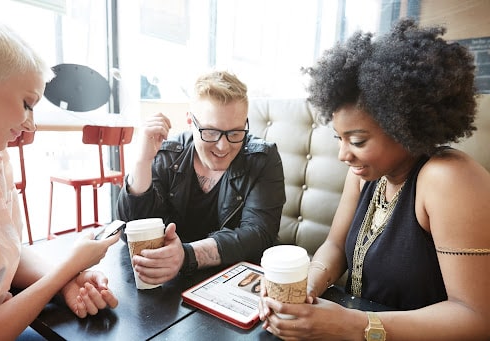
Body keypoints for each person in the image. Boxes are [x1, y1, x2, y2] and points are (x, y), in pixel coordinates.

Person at [259, 18, 490, 341]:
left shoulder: (449, 179)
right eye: (339, 138)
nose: (343, 154)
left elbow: (476, 318)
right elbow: (335, 246)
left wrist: (353, 325)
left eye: (357, 141)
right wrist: (305, 289)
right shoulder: (368, 174)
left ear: (405, 127)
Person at [0, 20, 120, 340]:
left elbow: (4, 252)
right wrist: (65, 271)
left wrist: (69, 280)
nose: (31, 127)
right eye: (27, 104)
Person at [116, 70, 285, 285]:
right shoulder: (169, 153)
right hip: (169, 284)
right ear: (190, 121)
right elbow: (131, 232)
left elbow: (258, 234)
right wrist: (142, 162)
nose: (223, 146)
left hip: (234, 282)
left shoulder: (262, 158)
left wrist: (186, 255)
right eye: (211, 132)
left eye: (235, 133)